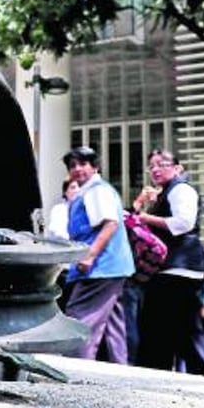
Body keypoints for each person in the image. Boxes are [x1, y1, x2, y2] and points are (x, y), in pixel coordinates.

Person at [132, 149, 204, 375]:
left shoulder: (181, 189)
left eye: (162, 163)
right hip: (173, 269)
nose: (156, 169)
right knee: (180, 330)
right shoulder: (165, 193)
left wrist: (145, 217)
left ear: (178, 168)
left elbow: (183, 223)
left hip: (180, 269)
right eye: (151, 166)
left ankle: (156, 372)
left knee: (171, 328)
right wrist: (142, 206)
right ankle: (159, 372)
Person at [60, 145, 135, 363]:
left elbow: (110, 223)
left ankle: (76, 367)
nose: (77, 169)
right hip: (113, 267)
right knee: (112, 323)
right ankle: (120, 369)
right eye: (73, 165)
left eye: (83, 163)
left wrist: (89, 255)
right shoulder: (89, 191)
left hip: (100, 267)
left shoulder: (96, 191)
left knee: (80, 316)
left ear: (95, 167)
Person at [46, 177, 80, 242]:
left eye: (80, 187)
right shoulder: (59, 210)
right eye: (73, 187)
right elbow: (58, 233)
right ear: (65, 192)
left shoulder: (88, 208)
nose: (77, 190)